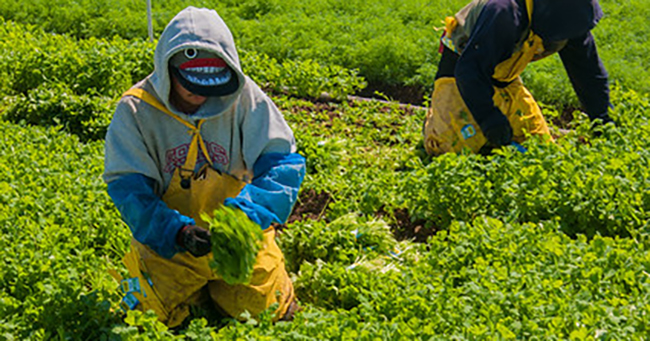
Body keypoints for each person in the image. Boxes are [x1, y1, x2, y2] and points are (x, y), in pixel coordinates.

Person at [103, 6, 305, 328]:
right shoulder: (136, 110)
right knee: (144, 313)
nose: (199, 95)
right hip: (169, 241)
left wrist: (245, 217)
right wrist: (176, 231)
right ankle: (193, 289)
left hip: (239, 236)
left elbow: (283, 165)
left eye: (211, 87)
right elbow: (129, 190)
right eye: (190, 84)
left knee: (265, 307)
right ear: (167, 68)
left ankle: (221, 289)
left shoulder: (244, 98)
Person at [423, 0, 614, 156]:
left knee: (540, 147)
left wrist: (605, 123)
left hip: (504, 78)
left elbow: (589, 76)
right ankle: (435, 121)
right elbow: (469, 71)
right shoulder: (503, 12)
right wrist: (490, 119)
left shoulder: (572, 18)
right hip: (460, 76)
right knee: (451, 148)